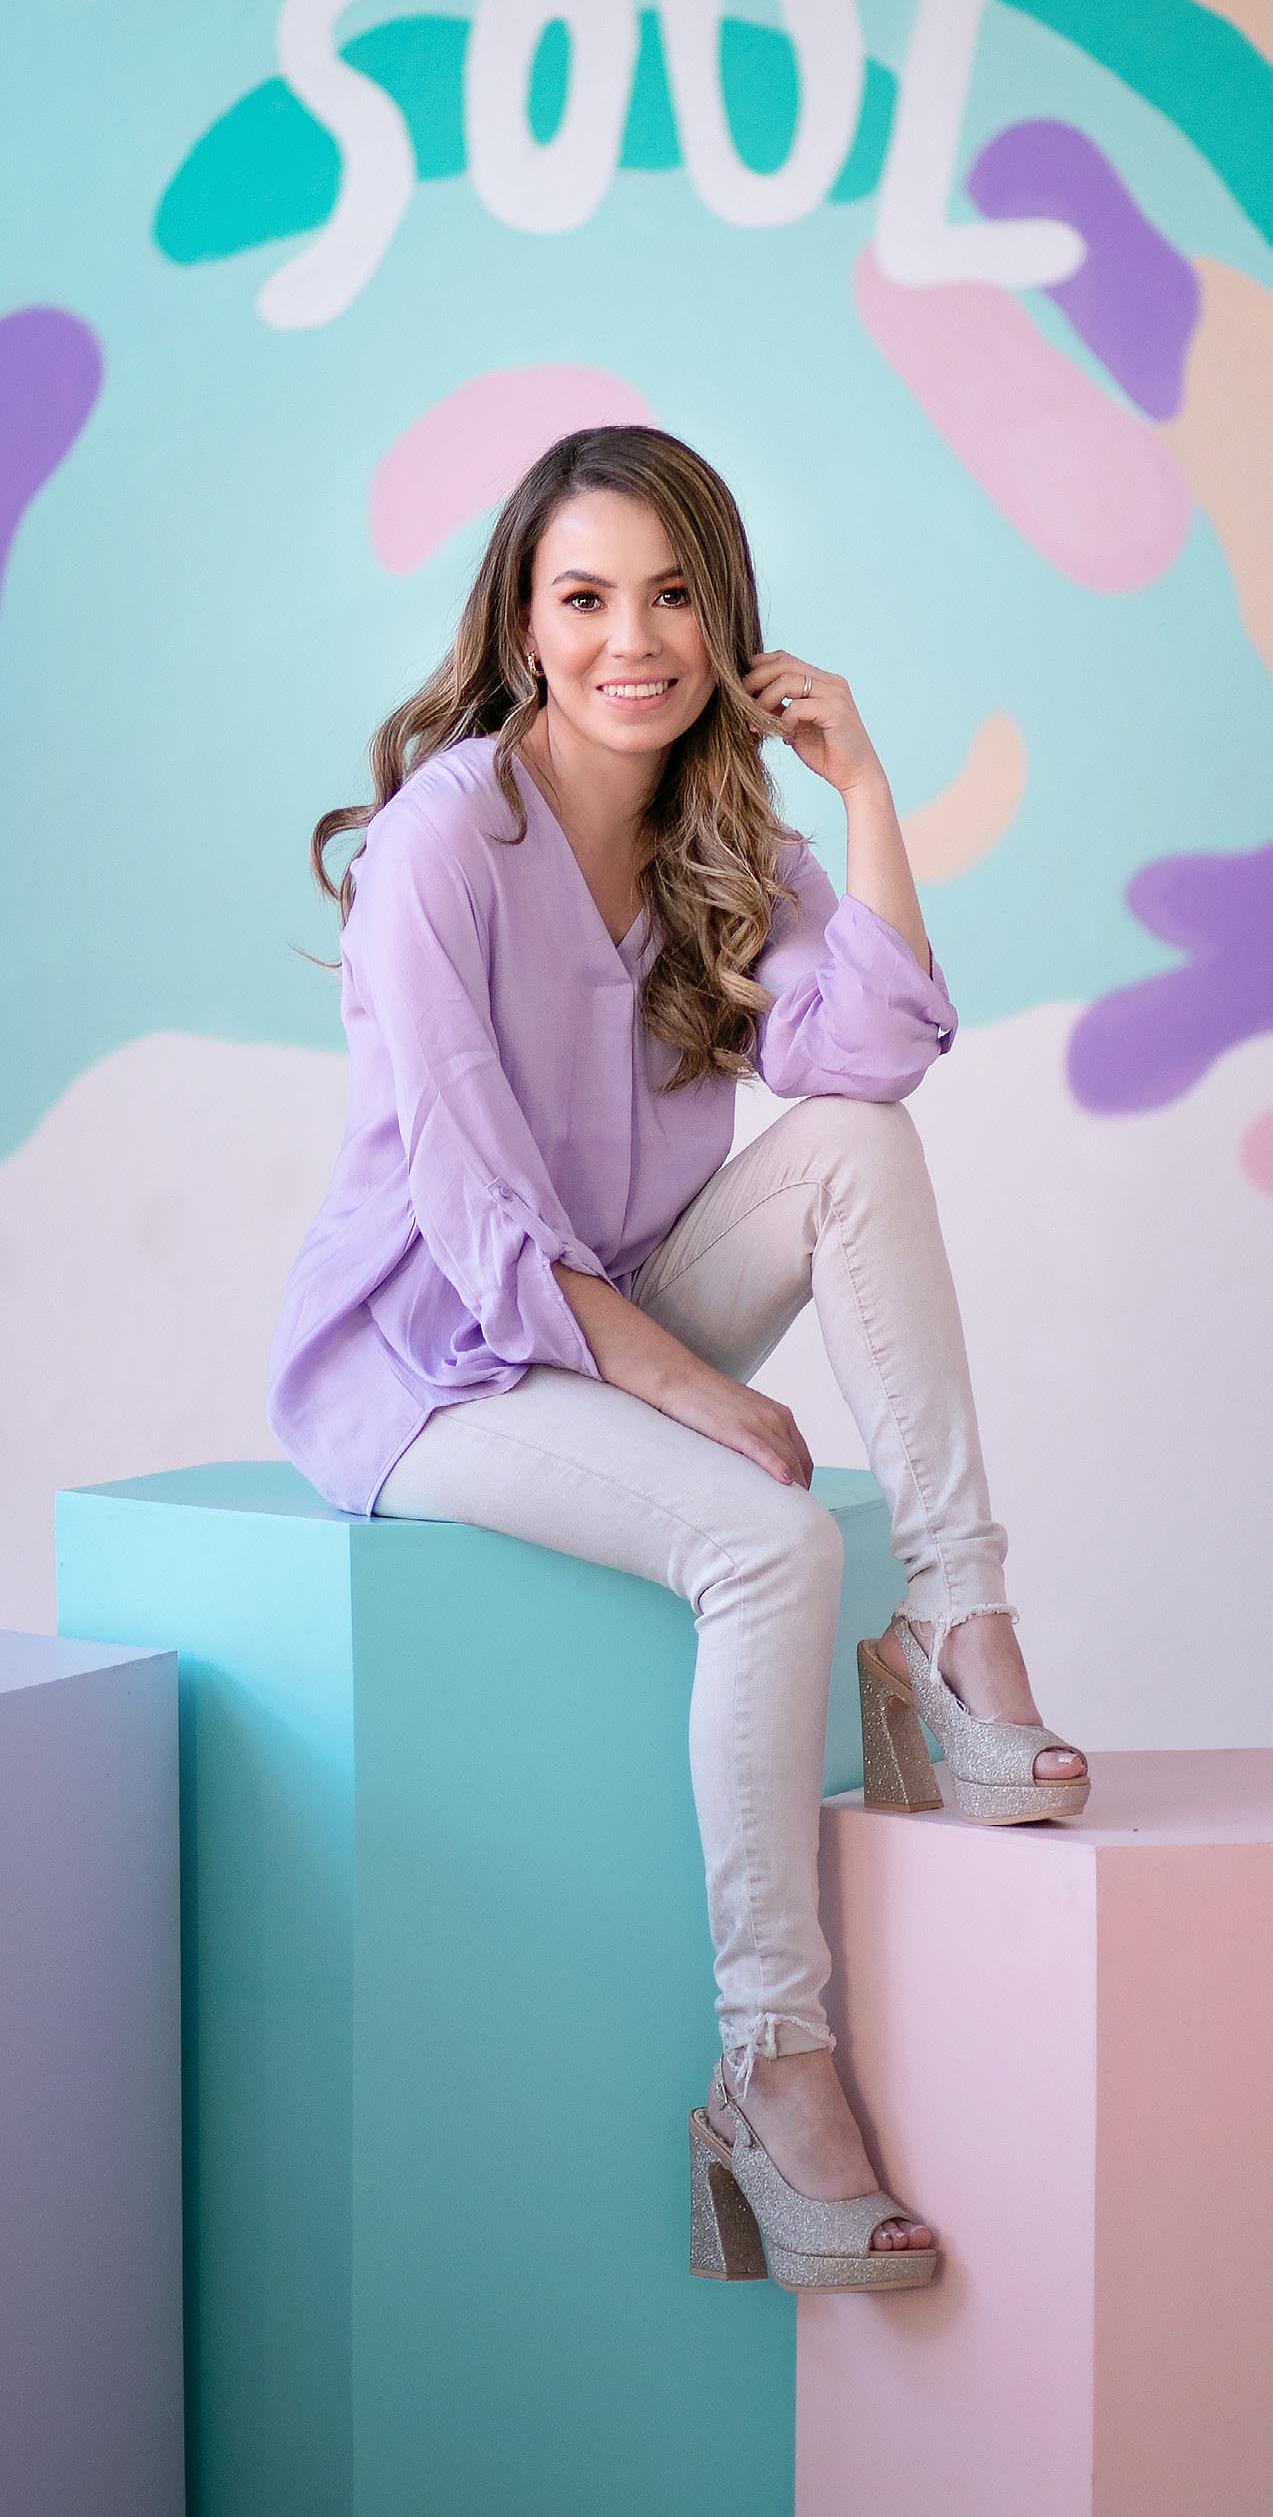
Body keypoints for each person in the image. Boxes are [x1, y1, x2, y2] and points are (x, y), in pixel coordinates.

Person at [268, 425, 1088, 2293]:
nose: (628, 640)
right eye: (583, 599)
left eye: (669, 598)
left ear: (724, 621)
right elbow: (476, 1212)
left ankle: (958, 1629)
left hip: (616, 1303)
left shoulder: (721, 839)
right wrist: (697, 1393)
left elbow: (867, 1057)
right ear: (522, 623)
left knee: (856, 1148)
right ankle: (769, 2065)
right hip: (433, 1358)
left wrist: (862, 784)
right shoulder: (442, 843)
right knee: (769, 1546)